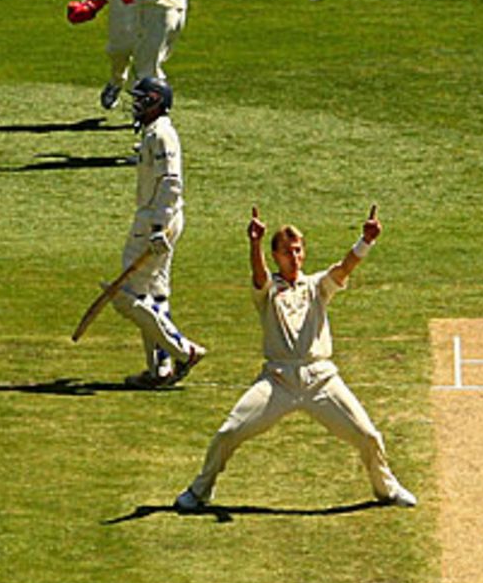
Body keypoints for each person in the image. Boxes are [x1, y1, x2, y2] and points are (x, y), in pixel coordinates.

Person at [173, 205, 418, 510]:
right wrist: (254, 243)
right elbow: (259, 275)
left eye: (299, 250)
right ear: (276, 255)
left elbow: (344, 268)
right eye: (287, 251)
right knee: (229, 433)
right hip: (277, 381)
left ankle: (387, 489)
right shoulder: (268, 290)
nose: (295, 257)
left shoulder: (316, 286)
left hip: (321, 380)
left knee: (368, 436)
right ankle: (199, 492)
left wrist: (365, 241)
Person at [107, 76, 207, 387]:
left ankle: (183, 349)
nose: (135, 105)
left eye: (140, 99)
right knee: (155, 293)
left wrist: (156, 228)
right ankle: (160, 371)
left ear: (155, 101)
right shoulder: (154, 132)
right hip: (159, 220)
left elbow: (171, 183)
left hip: (154, 221)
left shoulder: (162, 135)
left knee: (127, 297)